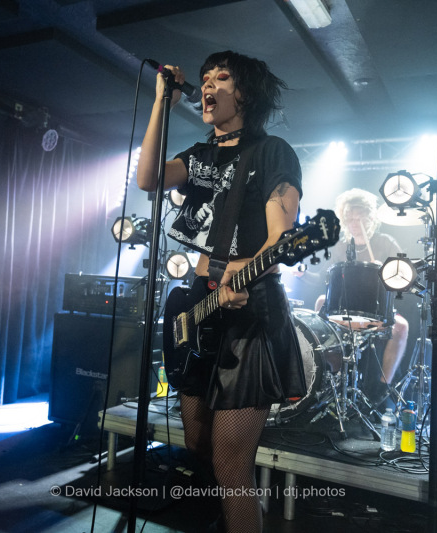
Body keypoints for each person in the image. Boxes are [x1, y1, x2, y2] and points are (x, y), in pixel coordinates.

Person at [137, 51, 306, 533]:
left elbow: (281, 241)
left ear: (246, 94)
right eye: (206, 78)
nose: (209, 84)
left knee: (232, 464)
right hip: (197, 307)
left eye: (222, 78)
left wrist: (240, 272)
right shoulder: (199, 155)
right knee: (197, 445)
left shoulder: (273, 152)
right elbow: (147, 179)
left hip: (250, 316)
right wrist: (160, 102)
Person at [314, 188, 409, 401]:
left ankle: (382, 388)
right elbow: (323, 277)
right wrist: (300, 273)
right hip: (345, 309)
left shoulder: (385, 242)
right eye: (351, 218)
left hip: (376, 310)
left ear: (370, 218)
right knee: (321, 301)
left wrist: (385, 269)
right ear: (345, 220)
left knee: (402, 327)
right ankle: (331, 374)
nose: (355, 222)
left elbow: (404, 275)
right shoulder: (339, 247)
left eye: (360, 217)